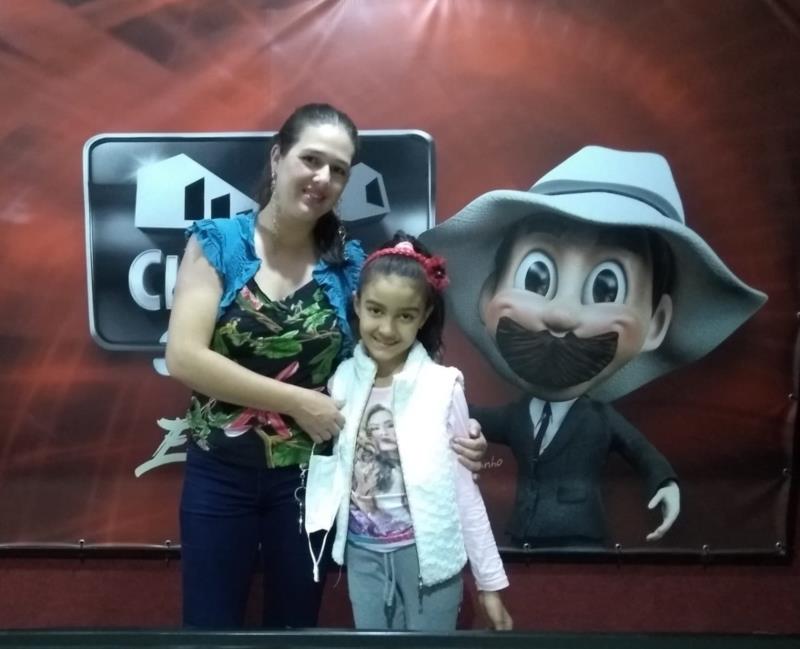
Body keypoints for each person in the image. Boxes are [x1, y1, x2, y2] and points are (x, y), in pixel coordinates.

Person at [165, 103, 486, 629]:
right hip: (218, 474)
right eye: (311, 160)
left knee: (297, 627)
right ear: (277, 158)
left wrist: (458, 426)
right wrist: (297, 401)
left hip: (311, 481)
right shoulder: (219, 243)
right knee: (209, 626)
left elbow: (390, 367)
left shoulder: (349, 265)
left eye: (338, 169)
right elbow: (184, 357)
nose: (323, 178)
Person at [419, 146, 766, 549]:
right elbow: (473, 416)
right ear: (488, 296)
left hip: (582, 539)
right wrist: (427, 392)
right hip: (521, 539)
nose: (562, 314)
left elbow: (640, 451)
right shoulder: (517, 416)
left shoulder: (601, 420)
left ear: (656, 325)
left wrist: (664, 482)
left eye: (606, 287)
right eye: (536, 277)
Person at [306, 233, 513, 631]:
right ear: (357, 305)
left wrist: (489, 584)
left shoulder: (443, 386)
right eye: (376, 310)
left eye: (405, 315)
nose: (387, 328)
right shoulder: (342, 380)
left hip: (428, 558)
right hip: (362, 556)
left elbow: (465, 492)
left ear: (424, 315)